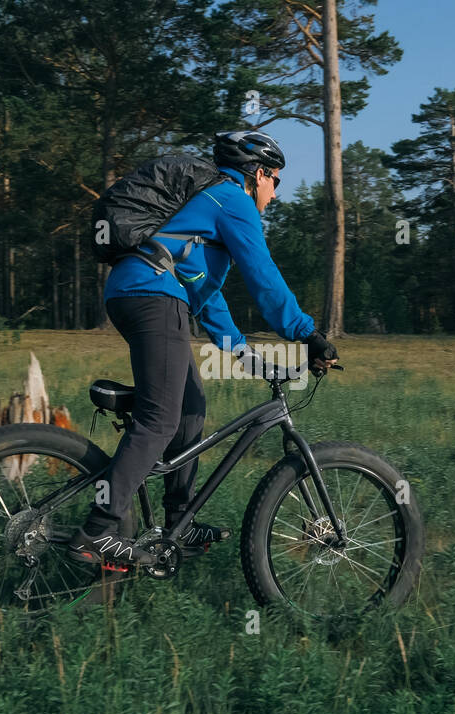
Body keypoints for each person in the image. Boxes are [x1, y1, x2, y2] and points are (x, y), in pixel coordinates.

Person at [68, 130, 338, 567]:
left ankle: (180, 519)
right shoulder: (232, 199)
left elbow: (204, 293)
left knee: (190, 406)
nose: (276, 191)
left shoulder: (204, 210)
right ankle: (96, 532)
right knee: (160, 418)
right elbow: (263, 276)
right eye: (277, 180)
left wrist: (248, 357)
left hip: (136, 293)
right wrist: (307, 333)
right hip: (152, 297)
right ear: (260, 173)